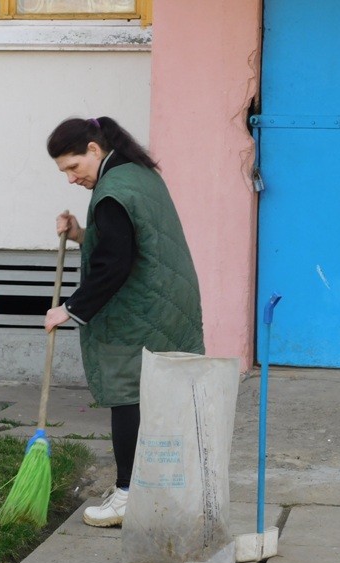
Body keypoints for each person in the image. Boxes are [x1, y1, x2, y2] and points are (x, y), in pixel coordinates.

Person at [44, 116, 204, 527]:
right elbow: (129, 239)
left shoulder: (113, 190)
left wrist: (71, 308)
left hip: (140, 308)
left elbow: (114, 263)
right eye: (63, 171)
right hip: (164, 301)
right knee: (155, 399)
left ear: (94, 150)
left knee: (128, 394)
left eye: (73, 167)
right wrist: (81, 233)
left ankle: (129, 495)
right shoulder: (136, 175)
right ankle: (162, 492)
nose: (70, 178)